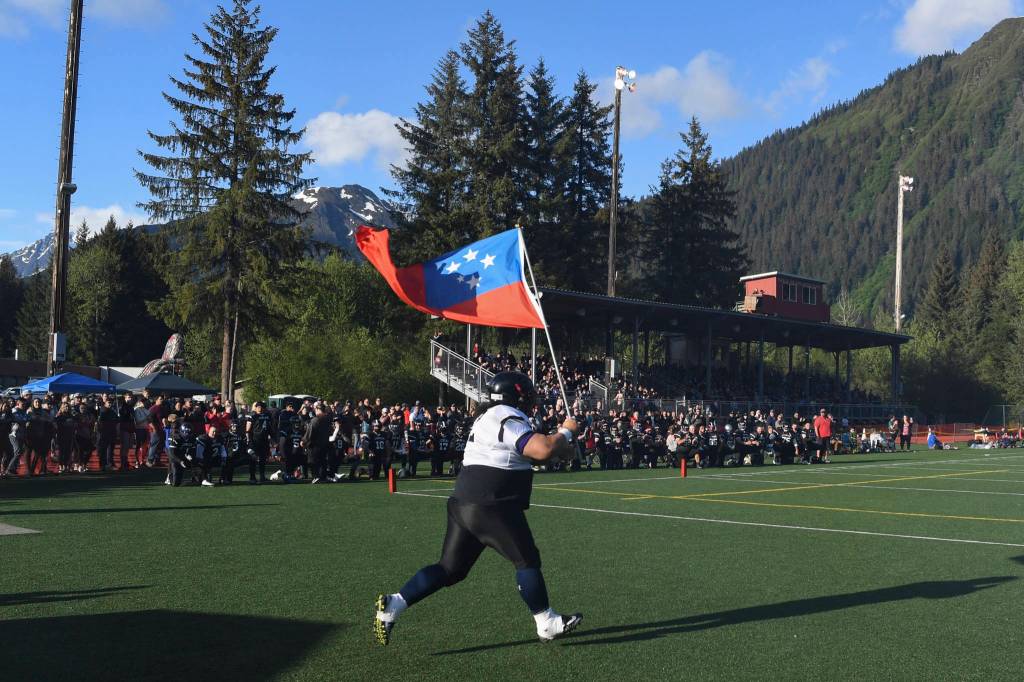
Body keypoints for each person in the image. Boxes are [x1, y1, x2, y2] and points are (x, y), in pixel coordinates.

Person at [374, 372, 583, 646]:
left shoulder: (490, 417)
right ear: (515, 395)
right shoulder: (506, 415)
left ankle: (395, 604)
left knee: (450, 569)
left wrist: (563, 445)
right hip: (492, 502)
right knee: (526, 560)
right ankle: (546, 621)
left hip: (465, 502)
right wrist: (565, 431)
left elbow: (538, 454)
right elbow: (541, 450)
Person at [245, 401, 273, 484]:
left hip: (264, 440)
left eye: (261, 407)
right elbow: (247, 429)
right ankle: (252, 477)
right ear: (255, 407)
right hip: (255, 440)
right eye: (258, 406)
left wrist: (272, 438)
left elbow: (269, 428)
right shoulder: (252, 416)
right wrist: (248, 440)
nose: (259, 408)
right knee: (253, 459)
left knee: (263, 459)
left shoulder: (267, 416)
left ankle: (262, 476)